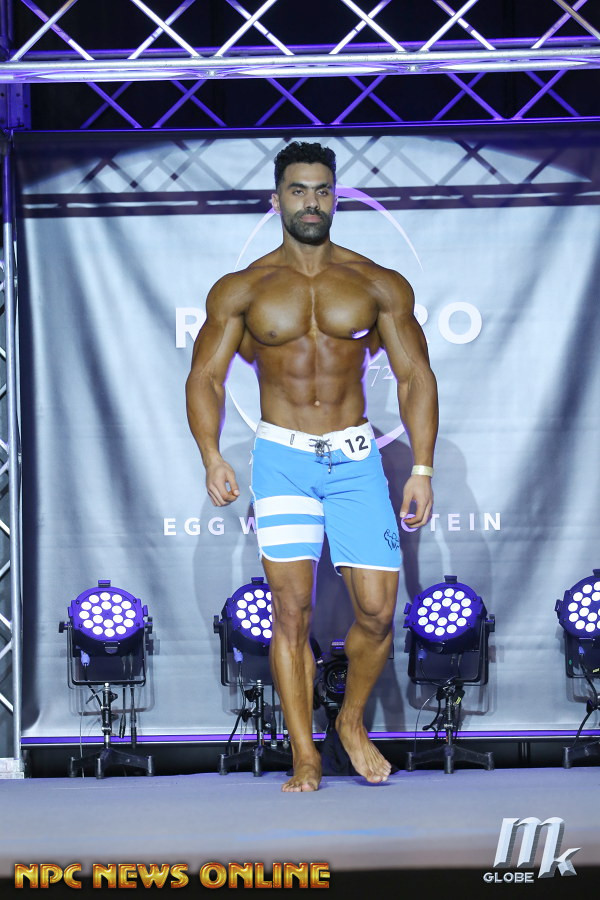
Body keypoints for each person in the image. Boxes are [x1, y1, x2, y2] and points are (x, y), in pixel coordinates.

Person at [186, 141, 438, 792]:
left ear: (336, 197)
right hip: (283, 460)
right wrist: (211, 455)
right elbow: (206, 376)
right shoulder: (243, 289)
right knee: (291, 614)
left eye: (323, 190)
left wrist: (423, 467)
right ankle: (305, 756)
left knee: (378, 612)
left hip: (354, 460)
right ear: (276, 200)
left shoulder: (376, 282)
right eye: (298, 191)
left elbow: (415, 374)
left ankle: (349, 722)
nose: (311, 202)